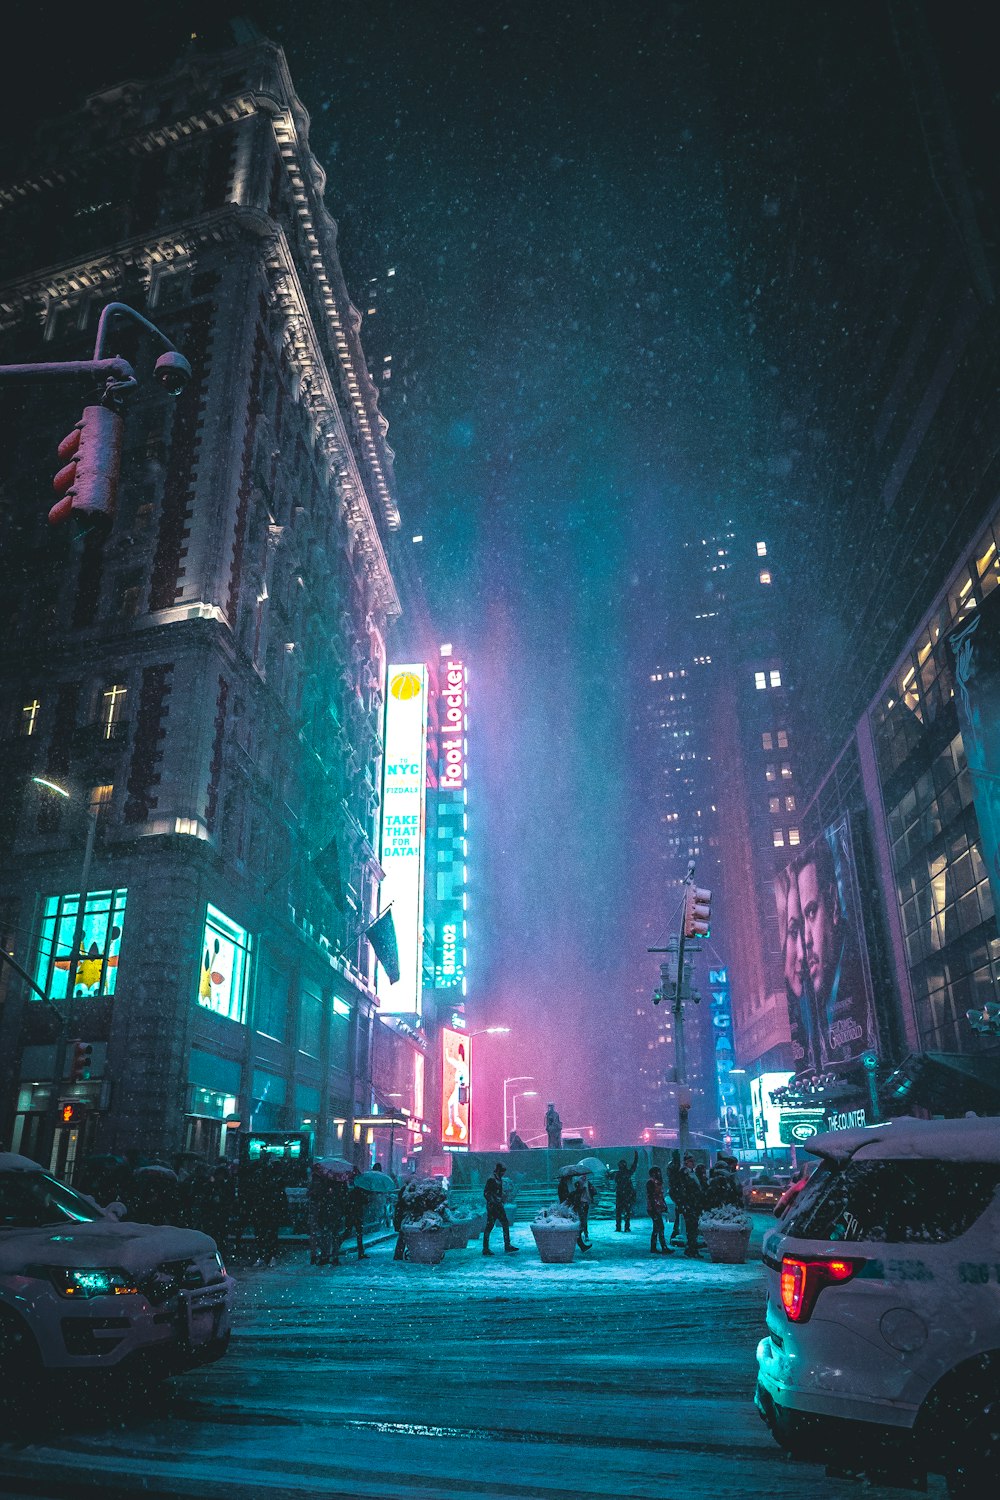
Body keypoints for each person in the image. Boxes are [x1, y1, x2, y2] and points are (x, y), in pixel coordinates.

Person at [251, 1155, 287, 1266]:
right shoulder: (274, 1179)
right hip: (268, 1208)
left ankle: (266, 1255)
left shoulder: (271, 1179)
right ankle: (268, 1256)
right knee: (268, 1234)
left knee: (265, 1234)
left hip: (267, 1208)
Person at [483, 1162, 518, 1254]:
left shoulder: (498, 1179)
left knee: (502, 1224)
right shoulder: (492, 1179)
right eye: (502, 1171)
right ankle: (486, 1248)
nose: (503, 1173)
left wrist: (500, 1199)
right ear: (498, 1170)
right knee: (491, 1226)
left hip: (497, 1205)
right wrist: (493, 1201)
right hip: (493, 1206)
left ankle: (506, 1245)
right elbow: (486, 1193)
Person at [675, 1152, 705, 1257]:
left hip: (692, 1204)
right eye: (691, 1161)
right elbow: (685, 1189)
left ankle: (692, 1248)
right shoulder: (684, 1174)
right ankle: (691, 1248)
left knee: (693, 1227)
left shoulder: (691, 1173)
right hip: (690, 1204)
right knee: (691, 1227)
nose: (693, 1163)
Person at [646, 1166, 671, 1255]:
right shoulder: (651, 1182)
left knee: (657, 1228)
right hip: (654, 1208)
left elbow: (659, 1196)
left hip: (656, 1207)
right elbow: (652, 1197)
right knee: (660, 1227)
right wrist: (655, 1208)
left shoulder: (656, 1182)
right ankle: (663, 1247)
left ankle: (655, 1247)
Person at [614, 1151, 639, 1232]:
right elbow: (633, 1167)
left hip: (623, 1195)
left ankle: (621, 1227)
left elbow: (633, 1167)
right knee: (625, 1212)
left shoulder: (619, 1173)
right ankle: (624, 1227)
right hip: (624, 1195)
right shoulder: (625, 1173)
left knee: (622, 1212)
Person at [569, 1173, 594, 1251]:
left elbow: (592, 1192)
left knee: (583, 1220)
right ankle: (579, 1236)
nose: (584, 1177)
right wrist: (580, 1189)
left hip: (585, 1203)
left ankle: (583, 1235)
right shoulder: (577, 1184)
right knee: (581, 1221)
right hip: (579, 1204)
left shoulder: (588, 1183)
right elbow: (574, 1194)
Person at [346, 1174, 367, 1259]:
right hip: (357, 1214)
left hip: (351, 1214)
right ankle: (361, 1252)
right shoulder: (361, 1192)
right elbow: (365, 1202)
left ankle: (336, 1249)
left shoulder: (352, 1192)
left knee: (349, 1232)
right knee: (359, 1233)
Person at [666, 1149, 684, 1246]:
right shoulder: (675, 1166)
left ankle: (676, 1231)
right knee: (679, 1212)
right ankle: (676, 1232)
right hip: (677, 1191)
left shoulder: (672, 1166)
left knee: (679, 1213)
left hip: (676, 1191)